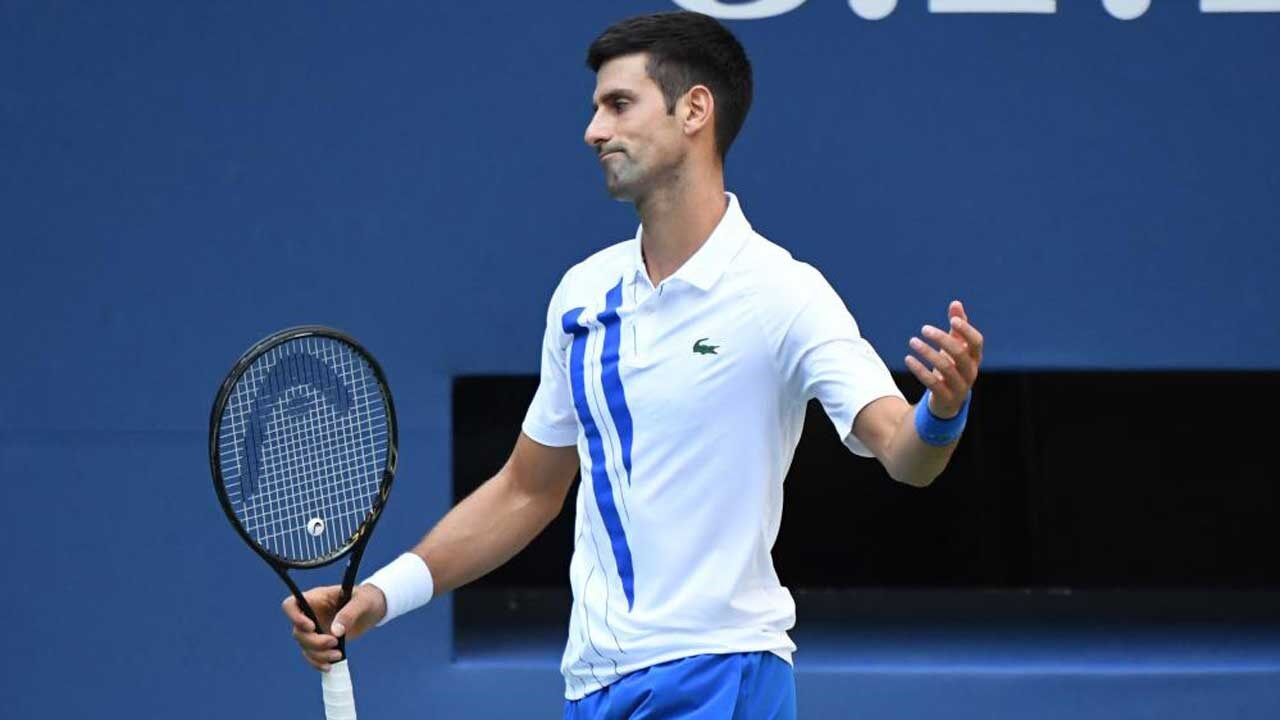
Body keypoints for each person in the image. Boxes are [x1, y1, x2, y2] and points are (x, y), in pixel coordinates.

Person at [283, 10, 984, 719]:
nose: (594, 130)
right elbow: (529, 489)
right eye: (595, 109)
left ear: (694, 111)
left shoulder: (783, 293)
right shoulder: (582, 297)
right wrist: (379, 595)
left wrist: (942, 412)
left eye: (619, 104)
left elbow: (904, 453)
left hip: (718, 673)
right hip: (594, 685)